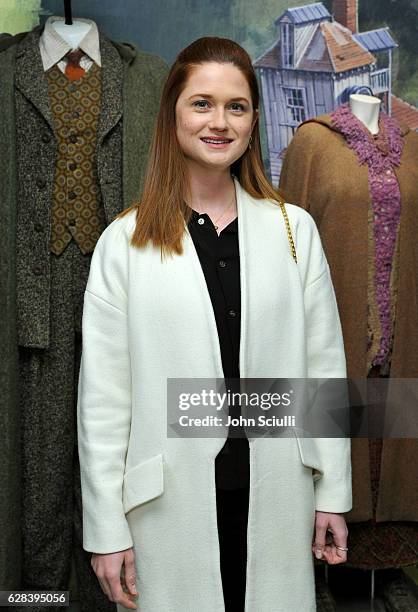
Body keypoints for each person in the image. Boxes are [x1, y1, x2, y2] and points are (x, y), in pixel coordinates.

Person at [77, 36, 352, 612]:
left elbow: (323, 376)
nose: (219, 121)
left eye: (237, 106)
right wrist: (106, 528)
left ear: (254, 121)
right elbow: (103, 402)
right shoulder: (123, 244)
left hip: (276, 492)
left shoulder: (292, 230)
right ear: (172, 113)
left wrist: (332, 493)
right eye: (201, 103)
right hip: (166, 505)